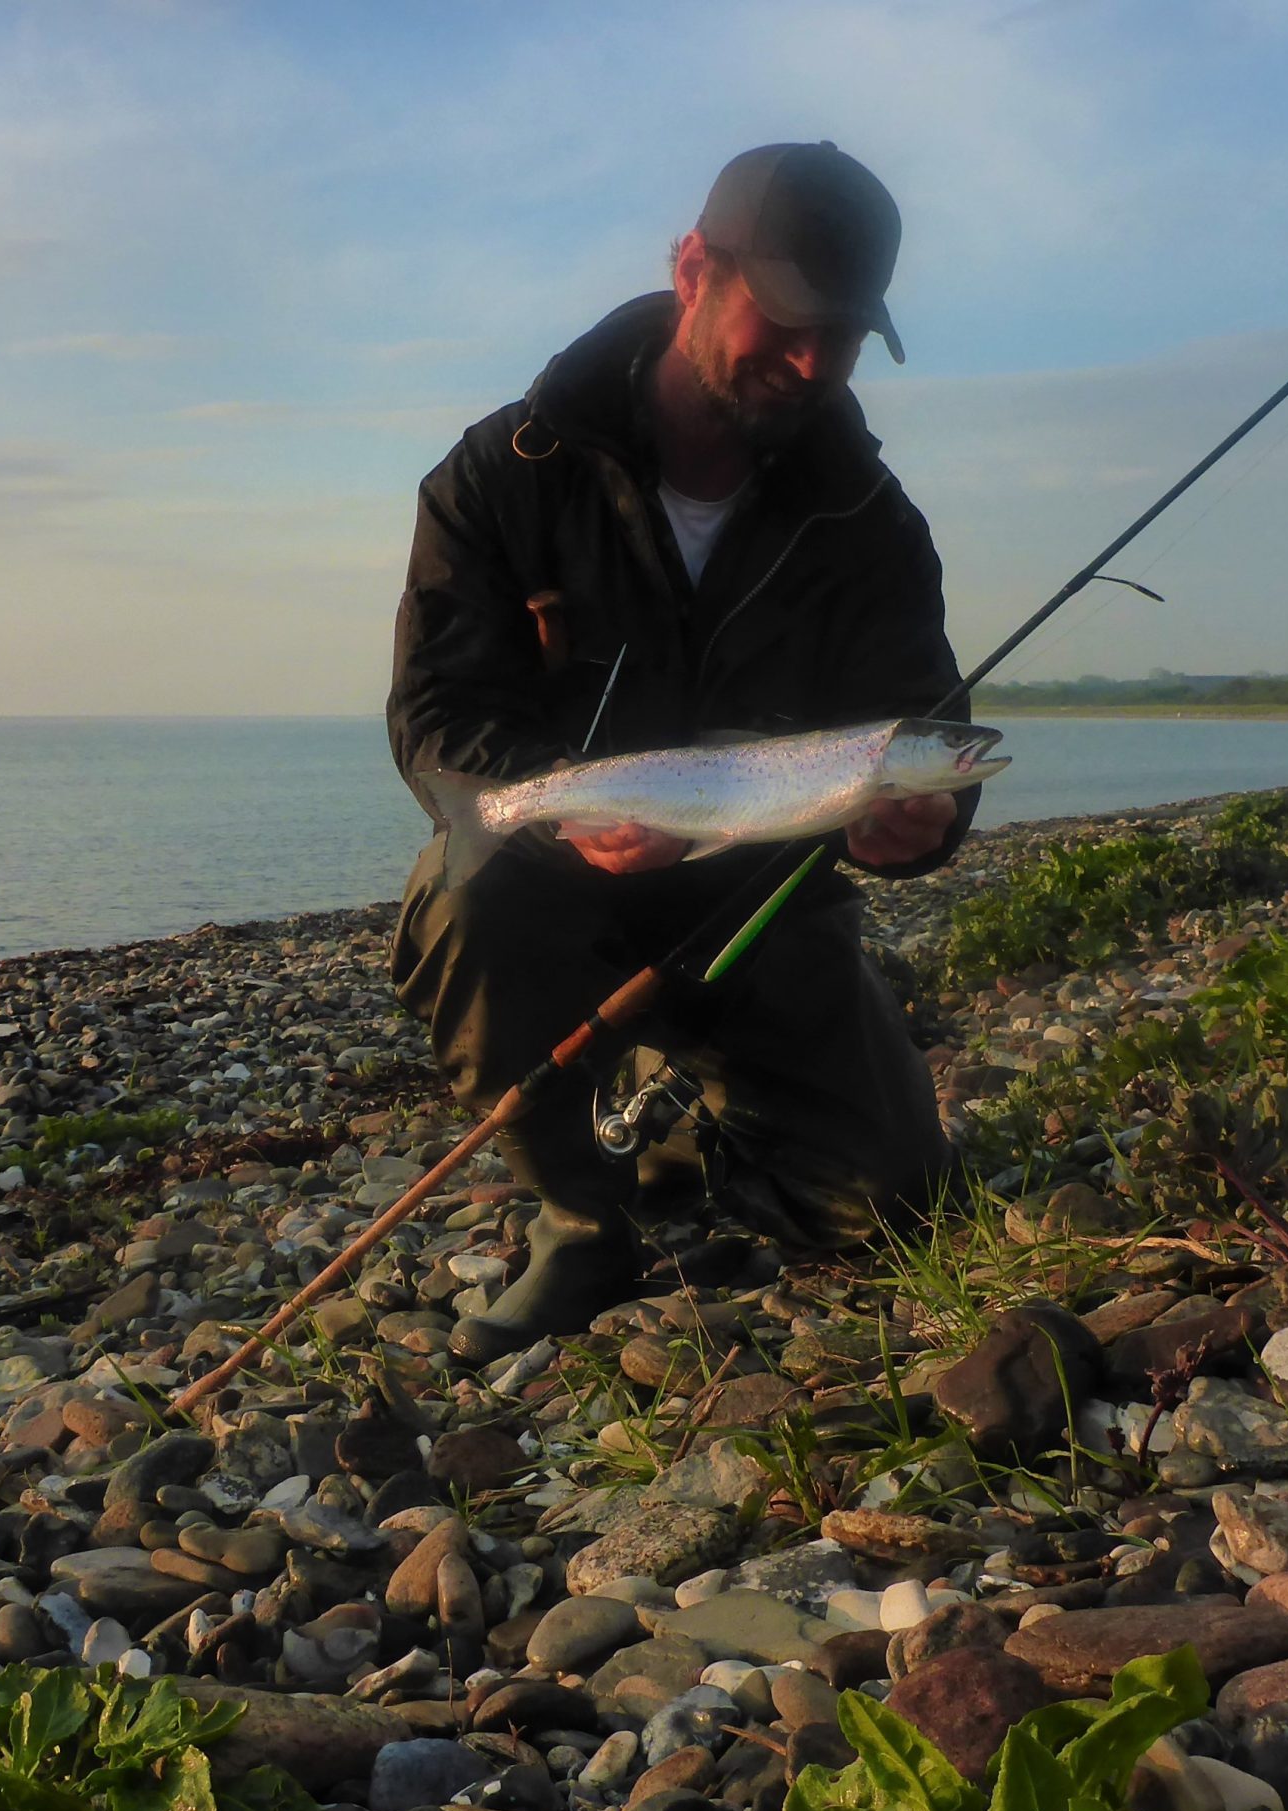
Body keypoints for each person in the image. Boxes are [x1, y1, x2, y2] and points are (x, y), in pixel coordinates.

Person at [386, 141, 977, 1365]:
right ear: (692, 267)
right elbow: (437, 715)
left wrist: (925, 824)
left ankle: (692, 1130)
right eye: (790, 321)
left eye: (848, 337)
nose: (813, 363)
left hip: (765, 901)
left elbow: (923, 710)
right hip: (561, 881)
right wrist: (555, 815)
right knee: (466, 891)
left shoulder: (869, 519)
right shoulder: (503, 476)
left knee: (898, 1211)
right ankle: (578, 1220)